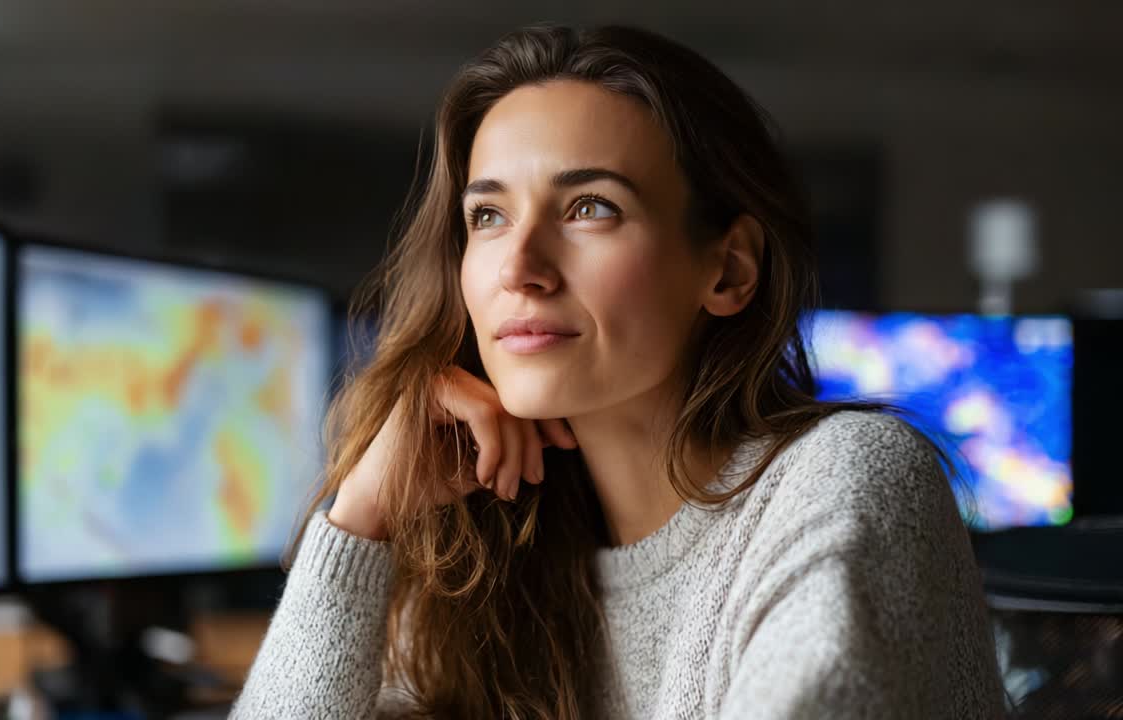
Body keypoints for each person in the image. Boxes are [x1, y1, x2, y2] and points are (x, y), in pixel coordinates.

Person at [229, 24, 1005, 719]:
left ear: (728, 270)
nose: (520, 268)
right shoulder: (484, 557)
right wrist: (362, 516)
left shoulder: (846, 480)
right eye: (488, 216)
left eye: (589, 208)